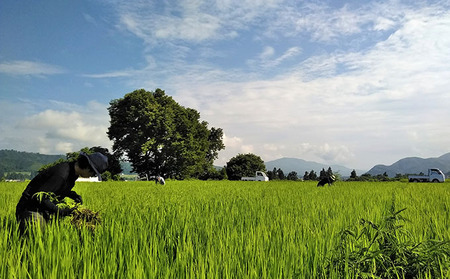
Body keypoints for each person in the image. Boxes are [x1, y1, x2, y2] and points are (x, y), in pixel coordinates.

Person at [15, 152, 108, 234]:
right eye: (94, 173)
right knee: (32, 244)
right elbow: (40, 197)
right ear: (88, 167)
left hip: (42, 209)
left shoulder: (72, 173)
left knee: (44, 240)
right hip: (31, 210)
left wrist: (72, 194)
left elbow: (55, 189)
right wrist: (61, 212)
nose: (92, 176)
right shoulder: (61, 174)